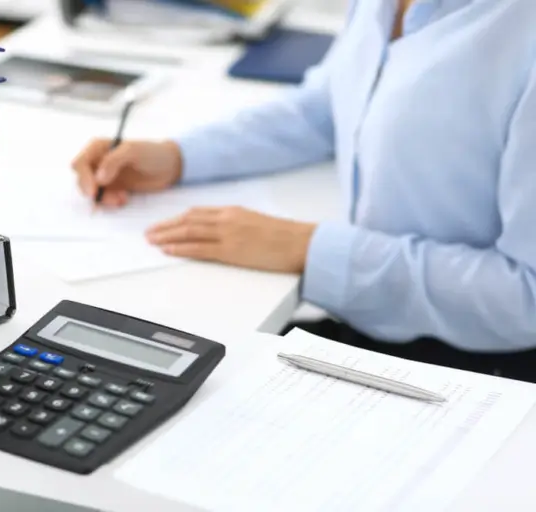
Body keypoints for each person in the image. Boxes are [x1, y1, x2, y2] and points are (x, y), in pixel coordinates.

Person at [70, 0, 536, 382]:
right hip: (375, 321)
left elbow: (526, 299)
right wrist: (178, 157)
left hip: (479, 370)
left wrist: (309, 249)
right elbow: (322, 109)